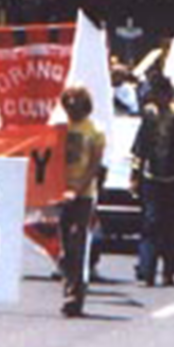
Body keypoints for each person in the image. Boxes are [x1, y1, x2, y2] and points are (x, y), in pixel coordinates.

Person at [130, 74, 174, 287]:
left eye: (160, 94)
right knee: (150, 223)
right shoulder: (149, 115)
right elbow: (140, 147)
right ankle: (147, 269)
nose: (156, 99)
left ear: (167, 95)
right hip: (152, 177)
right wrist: (135, 175)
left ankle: (168, 271)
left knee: (171, 226)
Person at [57, 85, 106, 317]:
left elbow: (94, 165)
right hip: (60, 194)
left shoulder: (94, 131)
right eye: (67, 101)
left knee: (78, 241)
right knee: (65, 248)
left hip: (83, 195)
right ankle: (69, 283)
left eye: (75, 101)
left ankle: (75, 295)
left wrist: (78, 188)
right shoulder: (59, 128)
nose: (71, 106)